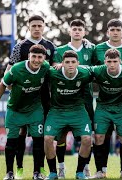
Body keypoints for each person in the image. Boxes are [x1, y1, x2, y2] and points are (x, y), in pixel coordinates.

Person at [4, 15, 56, 179]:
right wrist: (11, 87)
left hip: (43, 96)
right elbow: (10, 68)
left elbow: (53, 68)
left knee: (39, 135)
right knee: (21, 132)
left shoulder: (50, 46)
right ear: (28, 26)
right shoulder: (20, 46)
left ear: (44, 27)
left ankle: (39, 170)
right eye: (33, 25)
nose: (36, 28)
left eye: (39, 25)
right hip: (23, 96)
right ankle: (18, 168)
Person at [0, 44, 50, 180]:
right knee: (11, 143)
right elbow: (2, 85)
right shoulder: (17, 69)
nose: (36, 60)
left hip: (34, 110)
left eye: (39, 57)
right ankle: (9, 173)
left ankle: (37, 173)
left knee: (38, 141)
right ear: (28, 56)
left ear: (44, 58)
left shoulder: (46, 67)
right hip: (15, 110)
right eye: (33, 56)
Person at [92, 19, 122, 177]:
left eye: (115, 61)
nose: (112, 64)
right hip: (103, 106)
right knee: (99, 137)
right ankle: (100, 171)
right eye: (109, 62)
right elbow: (84, 69)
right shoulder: (98, 66)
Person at [52, 19, 95, 179]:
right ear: (70, 31)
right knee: (61, 135)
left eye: (80, 29)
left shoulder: (91, 49)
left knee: (86, 136)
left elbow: (100, 66)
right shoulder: (60, 50)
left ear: (84, 32)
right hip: (63, 99)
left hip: (85, 99)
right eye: (74, 29)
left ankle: (85, 168)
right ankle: (61, 167)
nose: (77, 31)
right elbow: (54, 65)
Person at [44, 50, 93, 180]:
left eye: (73, 62)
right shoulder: (53, 72)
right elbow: (38, 67)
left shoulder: (84, 73)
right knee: (48, 139)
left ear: (78, 63)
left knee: (87, 139)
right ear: (62, 63)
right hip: (57, 110)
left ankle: (80, 172)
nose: (70, 65)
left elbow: (101, 70)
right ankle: (53, 172)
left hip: (78, 110)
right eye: (67, 62)